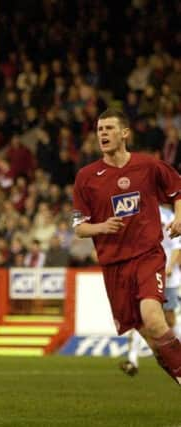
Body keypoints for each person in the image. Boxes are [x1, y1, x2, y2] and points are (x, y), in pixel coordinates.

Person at [73, 108, 181, 386]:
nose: (103, 134)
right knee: (153, 342)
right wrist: (102, 227)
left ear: (125, 133)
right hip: (114, 267)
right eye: (99, 130)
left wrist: (179, 217)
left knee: (155, 319)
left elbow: (177, 189)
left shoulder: (147, 165)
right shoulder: (87, 176)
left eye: (109, 128)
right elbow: (79, 227)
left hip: (147, 256)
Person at [119, 204, 181, 376]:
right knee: (141, 318)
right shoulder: (137, 214)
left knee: (168, 320)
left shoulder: (168, 216)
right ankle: (132, 359)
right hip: (147, 274)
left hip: (169, 277)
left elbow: (177, 245)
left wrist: (170, 266)